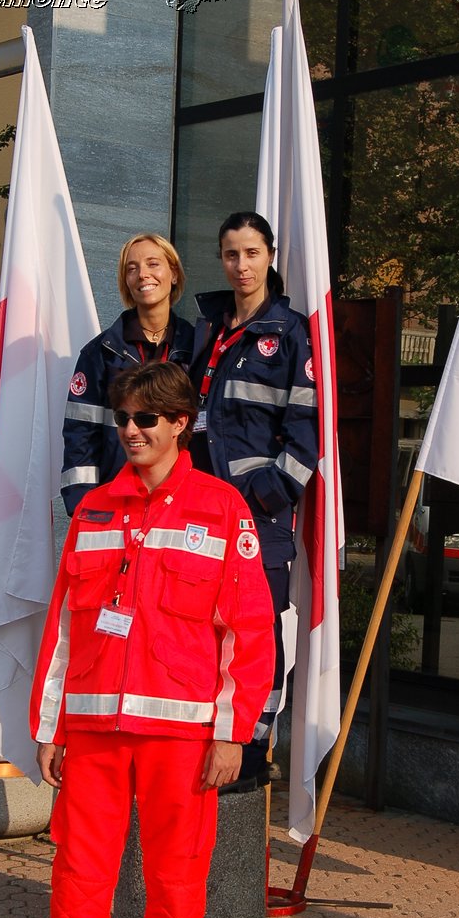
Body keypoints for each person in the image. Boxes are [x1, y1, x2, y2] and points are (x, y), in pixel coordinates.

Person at [19, 362, 275, 918]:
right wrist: (49, 727)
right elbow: (64, 633)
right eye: (124, 419)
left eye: (146, 420)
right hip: (94, 733)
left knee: (175, 880)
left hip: (183, 737)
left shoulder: (223, 509)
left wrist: (233, 732)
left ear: (179, 424)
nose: (131, 430)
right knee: (78, 874)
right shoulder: (95, 510)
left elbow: (249, 633)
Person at [189, 211, 319, 785]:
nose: (240, 266)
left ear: (270, 256)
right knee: (201, 624)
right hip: (200, 511)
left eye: (250, 253)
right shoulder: (206, 330)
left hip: (255, 519)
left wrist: (262, 500)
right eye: (229, 254)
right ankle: (209, 729)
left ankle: (254, 739)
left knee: (257, 628)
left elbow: (306, 435)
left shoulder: (289, 334)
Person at [61, 233, 194, 516]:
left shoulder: (197, 347)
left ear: (173, 273)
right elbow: (80, 438)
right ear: (126, 282)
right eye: (131, 268)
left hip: (184, 505)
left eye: (153, 263)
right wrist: (86, 510)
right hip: (117, 503)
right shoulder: (100, 353)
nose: (143, 274)